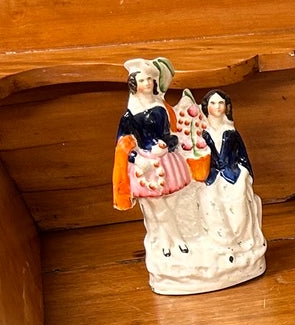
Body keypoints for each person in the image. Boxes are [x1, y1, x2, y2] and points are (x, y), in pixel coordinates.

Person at [112, 58, 206, 284]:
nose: (146, 83)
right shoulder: (130, 115)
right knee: (157, 207)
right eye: (141, 80)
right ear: (134, 84)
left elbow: (170, 133)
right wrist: (137, 157)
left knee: (172, 202)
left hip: (167, 160)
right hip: (146, 165)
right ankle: (169, 241)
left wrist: (168, 143)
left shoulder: (161, 107)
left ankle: (175, 238)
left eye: (149, 80)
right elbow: (123, 143)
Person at [199, 88, 266, 277]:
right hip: (211, 177)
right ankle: (221, 244)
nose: (217, 107)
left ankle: (240, 243)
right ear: (207, 107)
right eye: (213, 103)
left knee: (237, 203)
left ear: (226, 107)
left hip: (233, 174)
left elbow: (243, 158)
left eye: (220, 103)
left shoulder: (231, 132)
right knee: (211, 204)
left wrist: (244, 176)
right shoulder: (203, 133)